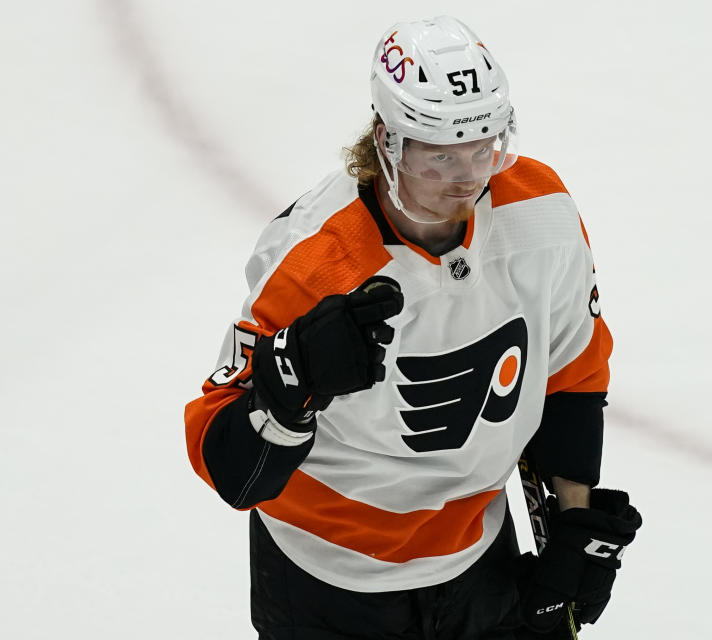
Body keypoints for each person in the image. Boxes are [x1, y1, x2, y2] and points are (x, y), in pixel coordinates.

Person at [184, 15, 641, 640]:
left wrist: (572, 526)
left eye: (483, 146)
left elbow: (570, 375)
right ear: (387, 141)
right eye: (440, 154)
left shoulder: (540, 213)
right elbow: (229, 464)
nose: (466, 175)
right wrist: (293, 384)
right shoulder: (315, 262)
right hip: (326, 579)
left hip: (478, 555)